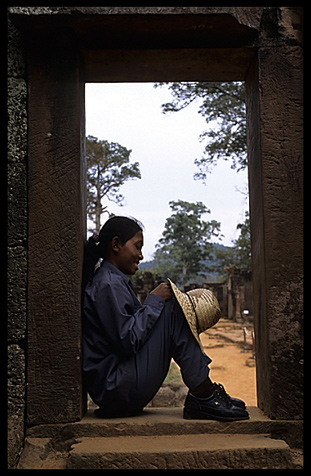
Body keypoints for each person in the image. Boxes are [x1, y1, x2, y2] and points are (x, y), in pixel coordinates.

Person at [82, 216, 249, 421]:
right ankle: (204, 392)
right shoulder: (107, 284)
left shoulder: (114, 280)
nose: (141, 255)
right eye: (137, 247)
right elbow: (127, 341)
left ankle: (205, 390)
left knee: (168, 308)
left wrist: (152, 305)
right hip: (116, 388)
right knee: (171, 309)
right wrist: (153, 301)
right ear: (116, 244)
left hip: (120, 387)